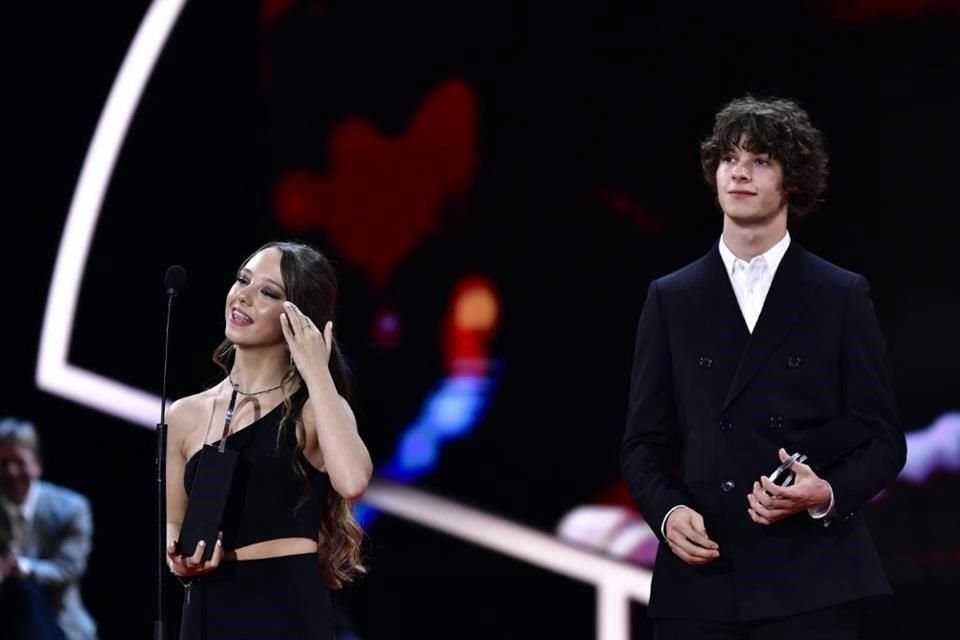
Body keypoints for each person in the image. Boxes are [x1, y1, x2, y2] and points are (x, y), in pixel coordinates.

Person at [620, 95, 907, 639]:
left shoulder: (839, 294)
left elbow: (883, 439)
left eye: (761, 161)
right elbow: (642, 443)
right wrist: (667, 514)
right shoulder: (671, 297)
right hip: (703, 577)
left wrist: (824, 495)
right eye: (730, 159)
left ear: (792, 180)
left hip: (813, 580)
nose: (741, 173)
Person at [165, 241, 373, 639]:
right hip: (207, 609)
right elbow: (175, 520)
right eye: (243, 280)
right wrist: (178, 556)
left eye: (268, 292)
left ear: (298, 318)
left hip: (284, 609)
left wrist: (316, 371)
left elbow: (353, 481)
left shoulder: (314, 409)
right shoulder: (184, 415)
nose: (243, 295)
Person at [0, 417, 96, 640]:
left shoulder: (71, 508)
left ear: (37, 464)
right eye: (3, 463)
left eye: (18, 462)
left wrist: (22, 568)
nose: (11, 472)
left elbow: (68, 568)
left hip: (58, 626)